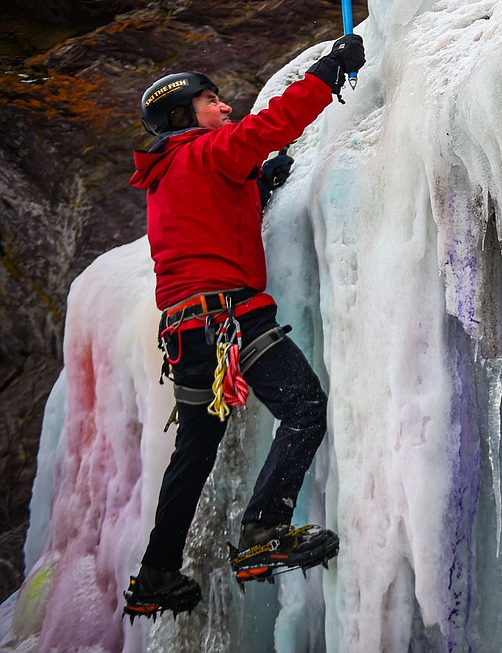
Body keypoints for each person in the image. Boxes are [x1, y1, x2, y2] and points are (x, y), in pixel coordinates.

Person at [122, 33, 365, 620]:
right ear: (185, 116)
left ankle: (157, 572)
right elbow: (265, 129)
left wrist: (258, 186)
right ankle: (263, 530)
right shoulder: (204, 152)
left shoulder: (168, 177)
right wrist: (326, 73)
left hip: (185, 331)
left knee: (196, 449)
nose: (225, 107)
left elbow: (212, 217)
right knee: (304, 406)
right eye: (212, 102)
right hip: (228, 316)